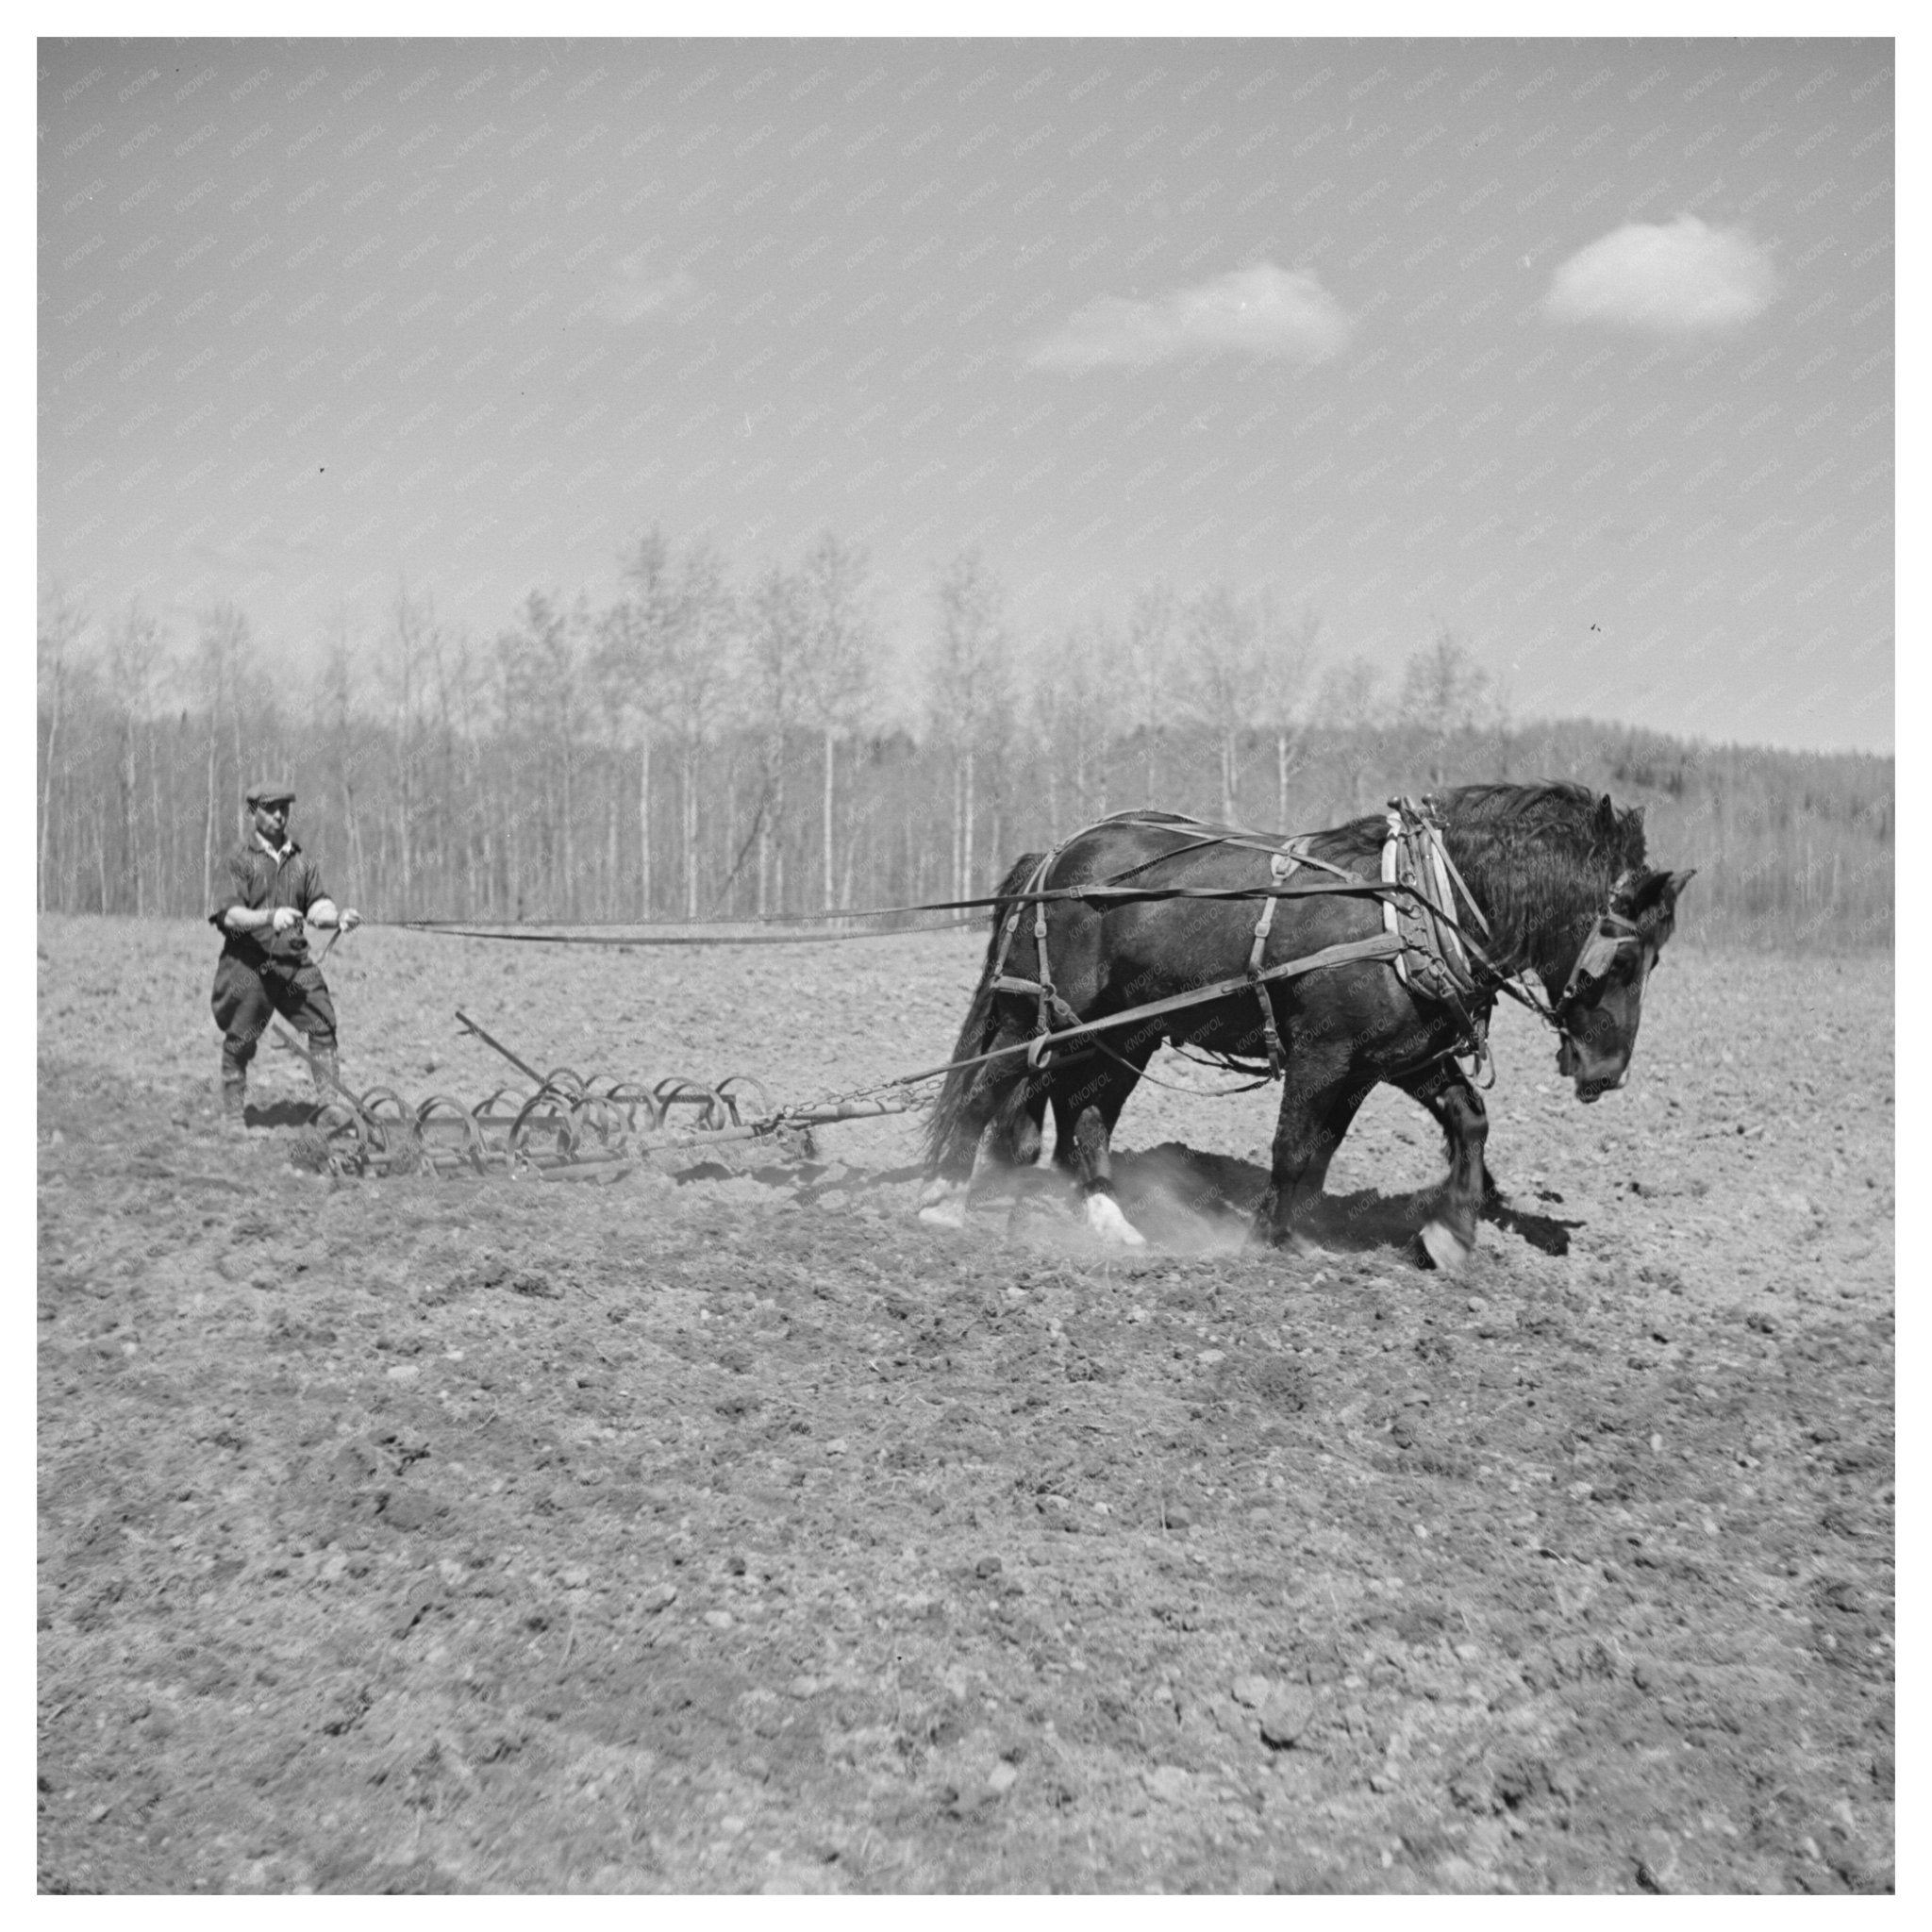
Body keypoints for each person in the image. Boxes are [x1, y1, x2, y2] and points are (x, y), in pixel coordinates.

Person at [208, 780, 360, 1126]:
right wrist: (269, 917)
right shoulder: (238, 859)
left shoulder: (300, 859)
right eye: (271, 808)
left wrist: (338, 917)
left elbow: (317, 904)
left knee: (322, 1022)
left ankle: (328, 1110)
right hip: (248, 962)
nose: (279, 816)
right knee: (240, 1037)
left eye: (284, 809)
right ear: (253, 813)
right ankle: (233, 1117)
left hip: (293, 961)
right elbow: (229, 914)